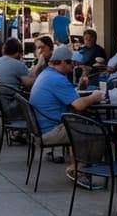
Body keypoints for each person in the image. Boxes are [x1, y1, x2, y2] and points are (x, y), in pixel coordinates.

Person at [29, 45, 103, 183]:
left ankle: (77, 166)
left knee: (78, 123)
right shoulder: (57, 79)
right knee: (96, 130)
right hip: (50, 131)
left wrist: (81, 88)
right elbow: (79, 105)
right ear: (61, 62)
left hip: (41, 129)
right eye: (70, 62)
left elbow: (70, 99)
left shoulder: (47, 74)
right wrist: (95, 97)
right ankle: (80, 169)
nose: (72, 66)